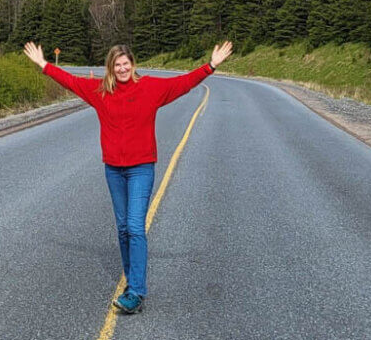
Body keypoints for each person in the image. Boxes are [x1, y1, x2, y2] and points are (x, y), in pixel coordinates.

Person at [22, 40, 233, 314]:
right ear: (110, 68)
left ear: (133, 65)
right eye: (116, 65)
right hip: (113, 169)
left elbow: (183, 83)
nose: (122, 69)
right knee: (123, 229)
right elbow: (71, 81)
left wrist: (211, 65)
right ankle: (132, 280)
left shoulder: (150, 89)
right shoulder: (100, 91)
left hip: (141, 168)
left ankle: (136, 291)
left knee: (135, 226)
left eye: (126, 64)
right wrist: (44, 65)